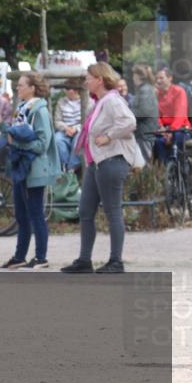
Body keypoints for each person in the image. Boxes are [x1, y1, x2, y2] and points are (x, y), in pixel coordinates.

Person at [61, 63, 145, 274]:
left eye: (88, 78)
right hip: (96, 163)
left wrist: (108, 137)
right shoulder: (99, 102)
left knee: (113, 211)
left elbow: (129, 122)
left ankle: (116, 262)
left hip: (111, 161)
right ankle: (84, 261)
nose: (86, 82)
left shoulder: (112, 101)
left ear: (99, 79)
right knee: (85, 211)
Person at [0, 73, 59, 270]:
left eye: (21, 85)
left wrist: (15, 142)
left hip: (34, 169)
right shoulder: (22, 109)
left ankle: (41, 257)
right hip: (21, 166)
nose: (17, 88)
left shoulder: (39, 110)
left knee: (35, 214)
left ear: (33, 87)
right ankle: (20, 256)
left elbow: (43, 144)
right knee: (21, 215)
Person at [154, 67, 190, 163]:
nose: (158, 80)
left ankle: (181, 168)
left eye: (161, 78)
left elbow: (180, 114)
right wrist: (160, 127)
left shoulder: (179, 91)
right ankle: (165, 172)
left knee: (175, 139)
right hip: (165, 129)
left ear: (170, 78)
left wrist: (171, 131)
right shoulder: (157, 94)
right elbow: (156, 114)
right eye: (157, 78)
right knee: (157, 142)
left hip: (180, 128)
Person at [130, 64, 158, 163]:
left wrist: (127, 114)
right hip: (145, 131)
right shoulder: (144, 89)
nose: (132, 78)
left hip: (145, 132)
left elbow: (143, 111)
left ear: (138, 76)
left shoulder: (145, 90)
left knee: (148, 162)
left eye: (133, 75)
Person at [53, 83, 84, 172]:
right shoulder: (61, 101)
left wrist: (76, 129)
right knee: (57, 140)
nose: (66, 91)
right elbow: (57, 121)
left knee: (78, 141)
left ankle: (72, 168)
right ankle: (64, 166)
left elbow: (87, 121)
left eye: (68, 88)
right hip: (64, 130)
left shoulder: (87, 101)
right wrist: (66, 128)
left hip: (79, 129)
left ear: (75, 90)